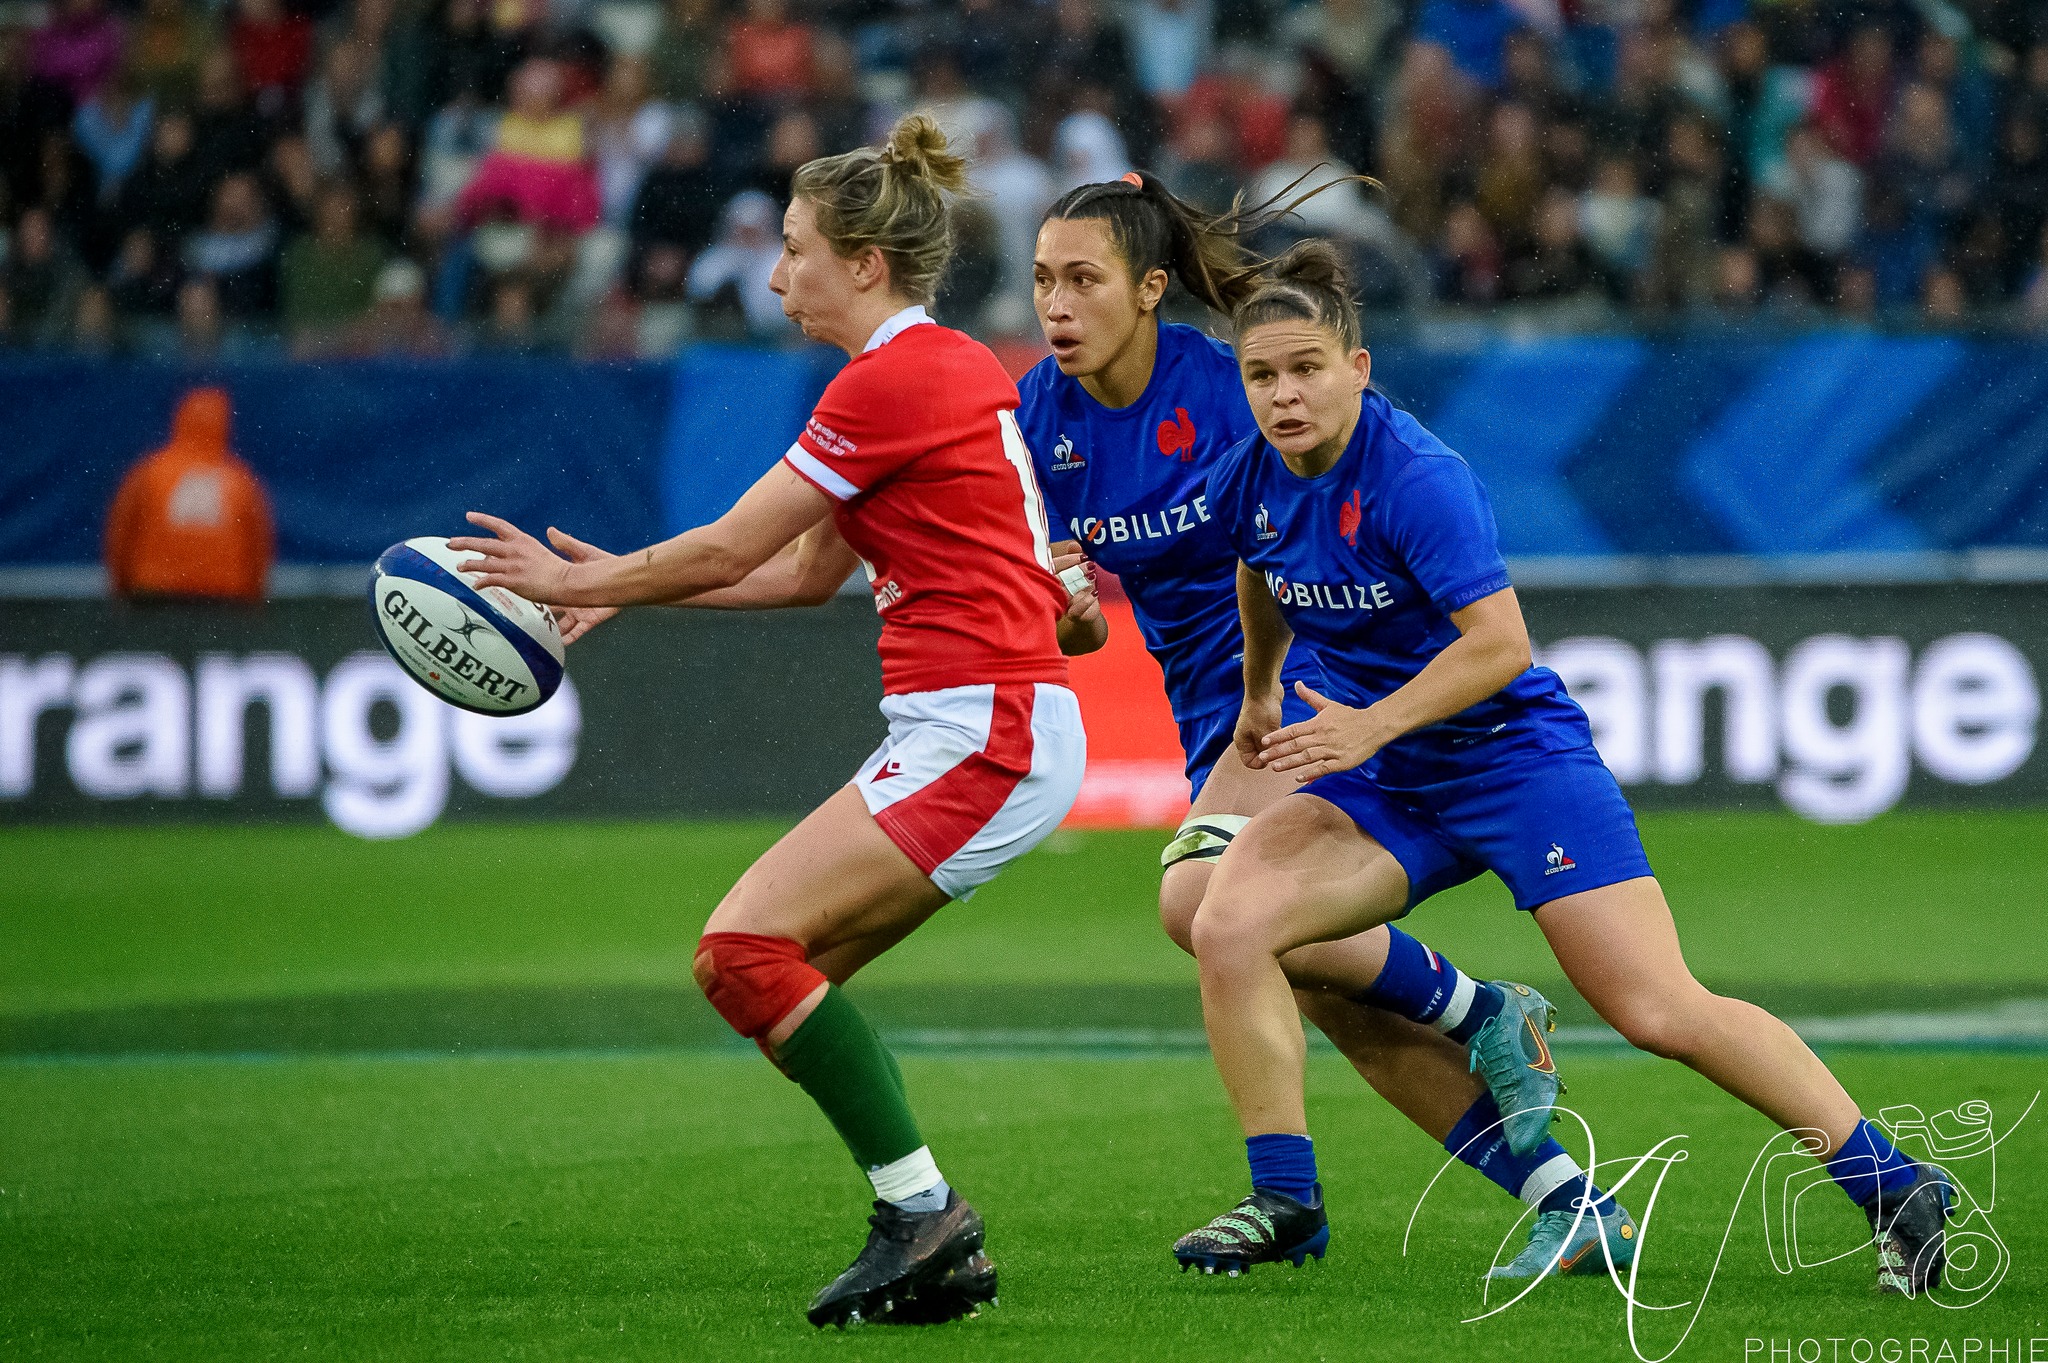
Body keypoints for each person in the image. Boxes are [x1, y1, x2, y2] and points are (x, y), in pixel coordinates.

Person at [1182, 240, 1952, 1293]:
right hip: (1384, 776)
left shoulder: (1417, 478)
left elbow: (1498, 644)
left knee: (1655, 1010)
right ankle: (1288, 1194)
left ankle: (1890, 1181)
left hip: (1513, 763)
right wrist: (1261, 690)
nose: (1282, 393)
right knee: (1227, 919)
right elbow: (1256, 562)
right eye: (1260, 375)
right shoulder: (1249, 474)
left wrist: (1367, 726)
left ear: (1357, 369)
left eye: (1304, 368)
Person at [450, 115, 1085, 1329]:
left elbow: (735, 541)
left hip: (983, 727)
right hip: (983, 723)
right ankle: (923, 1222)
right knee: (775, 987)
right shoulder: (930, 370)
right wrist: (621, 592)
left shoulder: (894, 375)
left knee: (744, 954)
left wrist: (583, 581)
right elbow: (796, 575)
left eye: (793, 249)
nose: (775, 273)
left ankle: (927, 1220)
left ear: (863, 263)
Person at [1015, 171, 1635, 1282]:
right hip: (1212, 710)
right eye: (1041, 281)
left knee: (1199, 903)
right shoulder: (1043, 416)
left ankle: (1323, 1156)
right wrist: (1065, 606)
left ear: (1149, 289)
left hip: (1313, 688)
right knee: (1306, 973)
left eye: (1081, 279)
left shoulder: (1228, 382)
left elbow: (1330, 504)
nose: (1055, 305)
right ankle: (1563, 1193)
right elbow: (1074, 605)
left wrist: (1300, 680)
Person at [105, 386, 274, 604]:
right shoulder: (240, 480)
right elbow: (257, 542)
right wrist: (254, 594)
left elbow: (122, 531)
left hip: (156, 594)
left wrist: (120, 587)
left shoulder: (150, 471)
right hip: (223, 595)